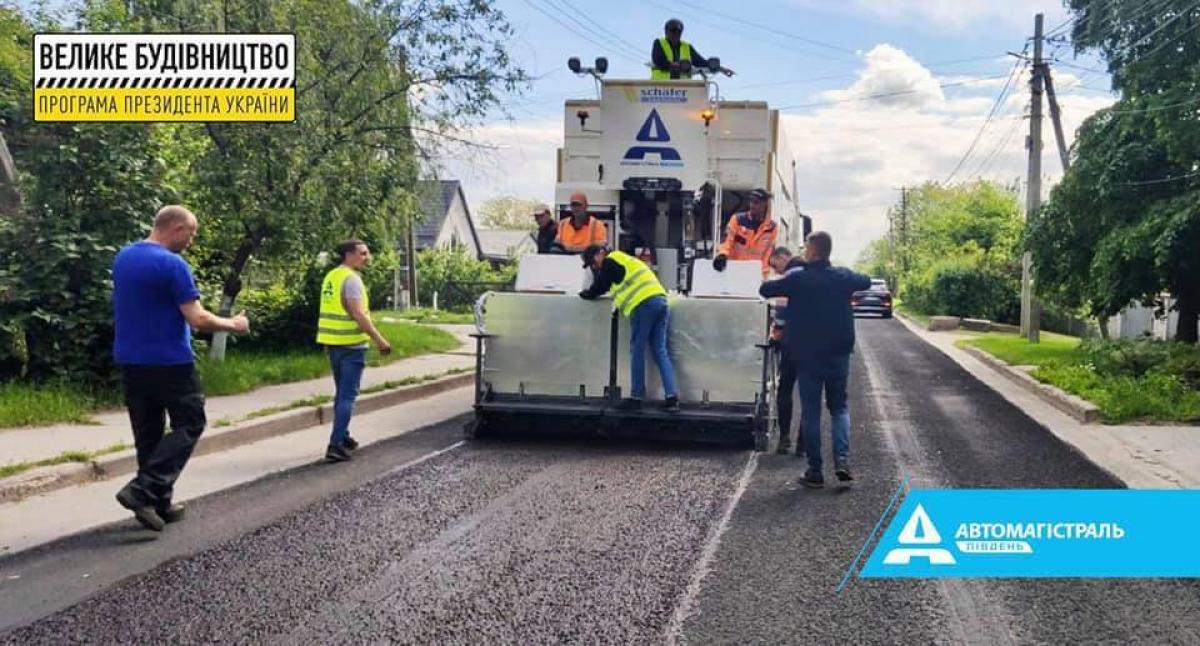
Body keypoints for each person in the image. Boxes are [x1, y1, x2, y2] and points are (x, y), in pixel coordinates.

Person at [112, 205, 250, 532]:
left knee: (148, 431)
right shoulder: (172, 265)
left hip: (131, 359)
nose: (192, 240)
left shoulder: (124, 257)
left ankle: (157, 501)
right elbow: (197, 318)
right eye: (191, 233)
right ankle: (142, 490)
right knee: (190, 423)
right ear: (176, 228)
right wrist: (234, 324)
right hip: (170, 361)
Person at [760, 232, 870, 488]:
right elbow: (864, 280)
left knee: (811, 412)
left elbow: (765, 289)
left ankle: (815, 471)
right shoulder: (842, 277)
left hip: (808, 354)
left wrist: (787, 275)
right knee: (839, 407)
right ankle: (841, 461)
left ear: (812, 251)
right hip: (838, 353)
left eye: (806, 248)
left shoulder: (799, 279)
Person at [578, 243, 680, 412]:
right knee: (659, 350)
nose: (594, 267)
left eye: (593, 262)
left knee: (637, 350)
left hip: (643, 304)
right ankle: (672, 398)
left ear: (601, 253)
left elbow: (601, 285)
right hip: (661, 301)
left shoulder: (611, 260)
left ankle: (636, 398)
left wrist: (587, 293)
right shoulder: (625, 260)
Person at [316, 239, 393, 463]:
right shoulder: (351, 280)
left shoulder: (332, 276)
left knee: (341, 393)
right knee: (347, 396)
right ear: (349, 255)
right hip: (351, 345)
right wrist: (380, 340)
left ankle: (344, 435)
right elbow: (359, 314)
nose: (367, 257)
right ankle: (336, 445)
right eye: (363, 253)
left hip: (333, 343)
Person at [767, 246, 806, 456]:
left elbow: (781, 313)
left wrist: (775, 336)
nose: (776, 271)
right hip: (813, 343)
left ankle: (784, 439)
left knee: (785, 389)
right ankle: (803, 442)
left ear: (783, 257)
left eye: (775, 265)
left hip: (792, 342)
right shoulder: (812, 274)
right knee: (809, 392)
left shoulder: (789, 278)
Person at [712, 188, 778, 278]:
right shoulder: (738, 220)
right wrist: (722, 254)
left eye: (756, 202)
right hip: (734, 271)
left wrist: (763, 276)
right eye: (751, 201)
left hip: (755, 275)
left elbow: (768, 254)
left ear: (765, 205)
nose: (752, 205)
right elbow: (727, 241)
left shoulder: (771, 228)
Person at [651, 18, 734, 80]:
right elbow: (659, 61)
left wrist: (721, 68)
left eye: (679, 31)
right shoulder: (659, 43)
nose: (676, 33)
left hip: (684, 91)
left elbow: (700, 62)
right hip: (660, 90)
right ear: (666, 31)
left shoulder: (687, 46)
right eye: (673, 30)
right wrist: (679, 66)